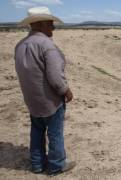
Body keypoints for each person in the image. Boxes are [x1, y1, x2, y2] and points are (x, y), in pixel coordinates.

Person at [14, 6, 75, 176]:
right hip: (50, 100)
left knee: (37, 131)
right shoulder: (46, 45)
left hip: (32, 99)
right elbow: (55, 77)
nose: (53, 27)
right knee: (55, 134)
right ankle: (57, 166)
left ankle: (37, 164)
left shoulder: (20, 45)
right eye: (50, 24)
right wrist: (66, 91)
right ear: (40, 24)